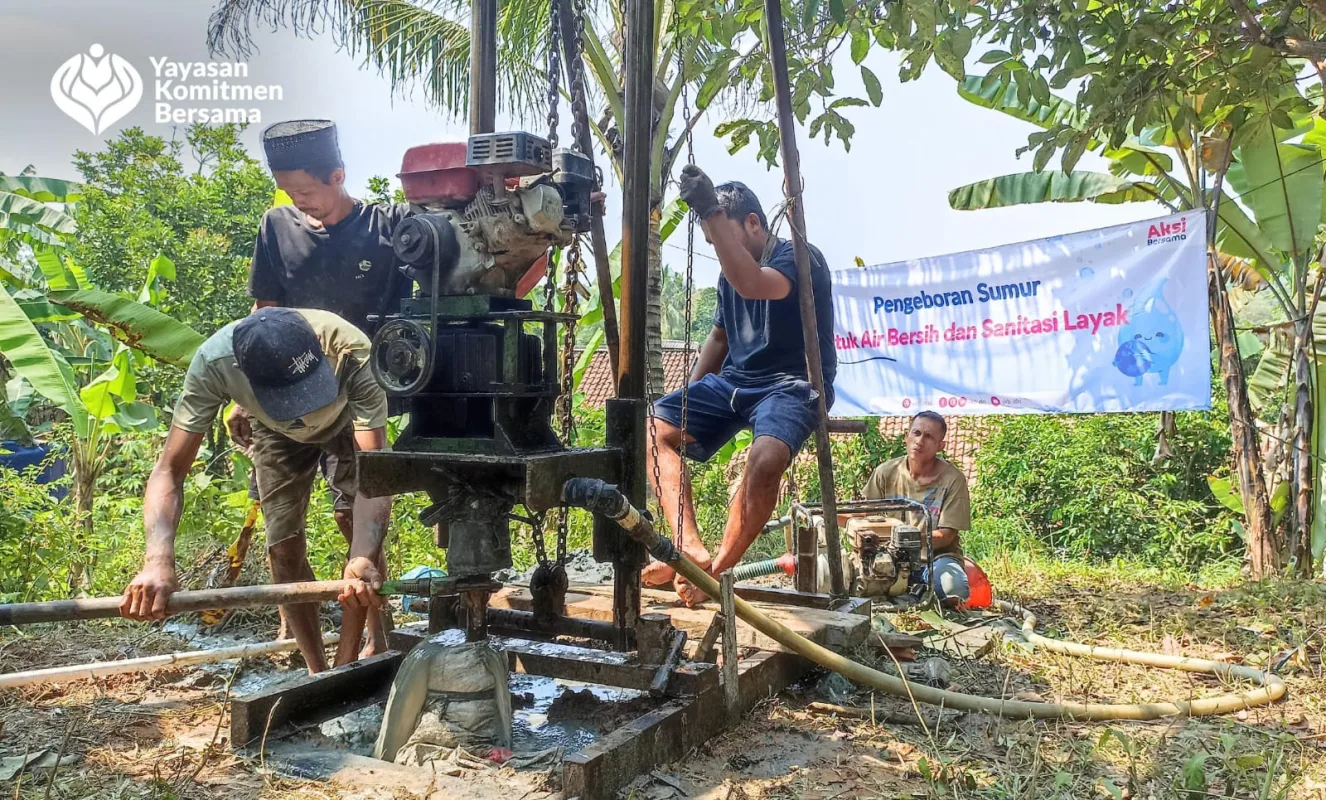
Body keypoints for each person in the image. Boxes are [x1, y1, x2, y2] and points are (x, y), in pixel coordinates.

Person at [121, 308, 390, 673]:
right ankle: (317, 672)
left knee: (353, 527)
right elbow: (169, 470)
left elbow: (374, 475)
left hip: (345, 420)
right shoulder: (214, 363)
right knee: (282, 550)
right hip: (274, 429)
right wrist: (157, 562)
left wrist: (360, 558)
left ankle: (360, 649)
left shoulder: (353, 352)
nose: (305, 407)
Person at [228, 119, 412, 650]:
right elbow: (265, 310)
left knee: (350, 516)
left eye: (307, 191)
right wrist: (247, 391)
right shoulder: (276, 226)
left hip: (355, 396)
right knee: (282, 541)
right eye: (290, 192)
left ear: (337, 175)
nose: (299, 201)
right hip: (282, 397)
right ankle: (314, 666)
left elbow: (465, 245)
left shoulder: (386, 226)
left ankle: (376, 636)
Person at [645, 166, 836, 606]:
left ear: (754, 223)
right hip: (735, 382)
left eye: (723, 239)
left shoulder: (799, 258)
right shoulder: (726, 277)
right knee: (655, 427)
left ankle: (716, 569)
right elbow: (719, 338)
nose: (720, 253)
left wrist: (709, 208)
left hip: (793, 384)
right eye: (714, 246)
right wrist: (686, 402)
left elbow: (752, 284)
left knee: (766, 458)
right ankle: (688, 548)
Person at [862, 411, 971, 605]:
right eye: (916, 433)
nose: (920, 441)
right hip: (888, 559)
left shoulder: (953, 479)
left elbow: (946, 536)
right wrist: (830, 516)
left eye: (928, 436)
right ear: (906, 437)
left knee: (953, 588)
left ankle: (919, 591)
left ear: (940, 445)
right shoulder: (885, 472)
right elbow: (864, 515)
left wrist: (905, 540)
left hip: (933, 559)